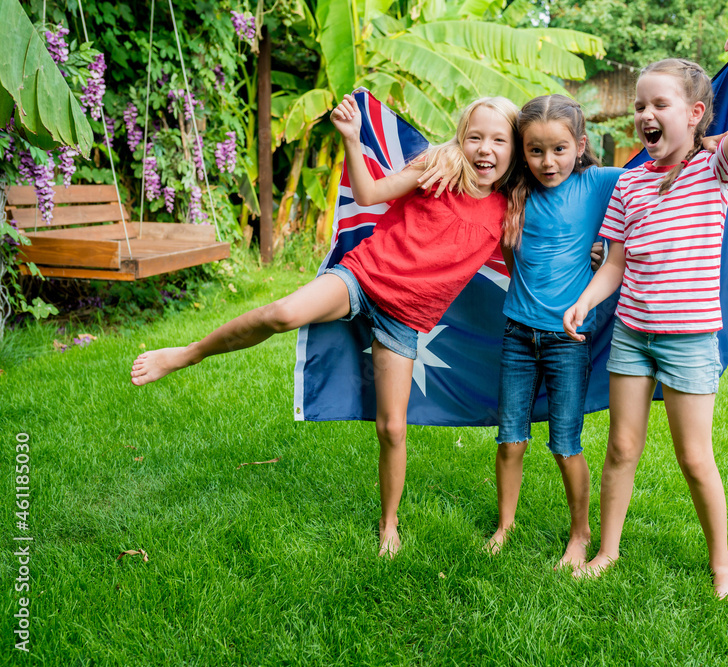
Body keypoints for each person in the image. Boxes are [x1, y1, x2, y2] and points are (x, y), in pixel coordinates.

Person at [130, 93, 526, 558]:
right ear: (461, 137)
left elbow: (527, 269)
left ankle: (388, 522)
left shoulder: (508, 214)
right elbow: (370, 194)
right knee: (280, 313)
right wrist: (353, 141)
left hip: (406, 318)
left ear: (514, 150)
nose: (485, 149)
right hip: (363, 277)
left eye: (499, 140)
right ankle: (188, 353)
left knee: (393, 429)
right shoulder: (438, 166)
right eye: (475, 136)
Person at [563, 32, 728, 597]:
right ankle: (607, 551)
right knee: (621, 448)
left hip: (689, 339)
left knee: (693, 457)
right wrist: (588, 298)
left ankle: (722, 564)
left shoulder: (716, 171)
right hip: (632, 333)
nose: (645, 115)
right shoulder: (629, 182)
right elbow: (615, 261)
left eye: (659, 104)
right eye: (639, 106)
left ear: (696, 114)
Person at [485, 95, 622, 569]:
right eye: (536, 150)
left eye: (560, 149)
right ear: (522, 151)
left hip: (569, 340)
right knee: (510, 439)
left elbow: (660, 168)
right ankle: (505, 525)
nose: (548, 162)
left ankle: (581, 533)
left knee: (566, 445)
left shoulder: (596, 183)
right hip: (517, 335)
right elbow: (472, 155)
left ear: (580, 146)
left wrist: (704, 138)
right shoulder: (511, 191)